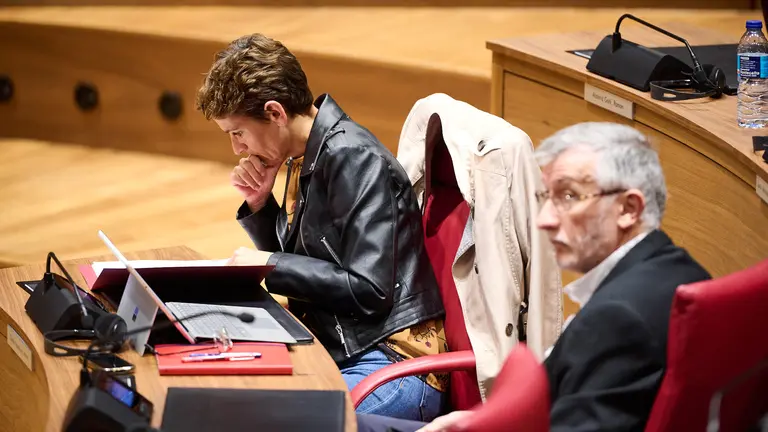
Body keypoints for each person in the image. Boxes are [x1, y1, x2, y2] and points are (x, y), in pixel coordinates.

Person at [356, 122, 711, 432]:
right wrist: (476, 421)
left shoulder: (617, 319)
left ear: (628, 209)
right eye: (546, 198)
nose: (545, 220)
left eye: (568, 197)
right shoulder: (685, 273)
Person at [195, 33, 446, 421]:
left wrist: (270, 263)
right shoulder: (306, 153)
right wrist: (262, 205)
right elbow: (313, 262)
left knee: (266, 422)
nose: (237, 149)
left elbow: (370, 289)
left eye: (237, 132)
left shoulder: (353, 157)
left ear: (275, 112)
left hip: (394, 367)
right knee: (227, 396)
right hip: (341, 351)